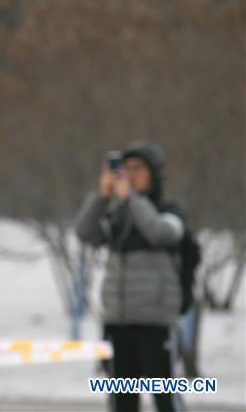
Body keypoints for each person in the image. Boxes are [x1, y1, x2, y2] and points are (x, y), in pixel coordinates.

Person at [75, 141, 185, 412]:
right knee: (121, 401)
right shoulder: (118, 217)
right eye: (126, 169)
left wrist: (131, 199)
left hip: (155, 322)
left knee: (165, 398)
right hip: (118, 322)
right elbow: (85, 232)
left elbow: (158, 232)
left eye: (138, 169)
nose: (131, 175)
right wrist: (102, 196)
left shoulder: (170, 211)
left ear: (154, 174)